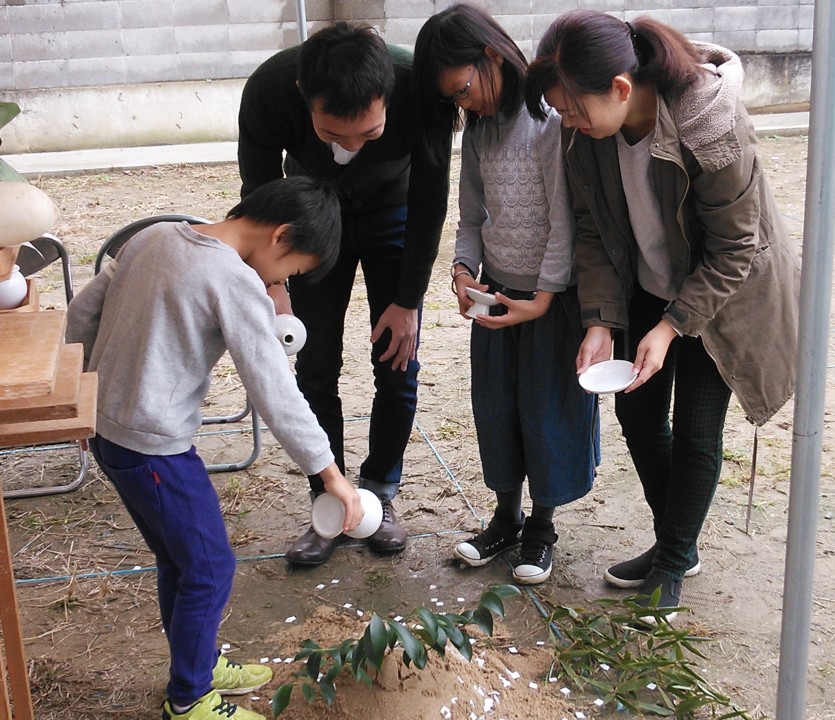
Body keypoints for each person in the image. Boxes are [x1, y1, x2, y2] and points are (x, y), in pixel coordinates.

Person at [524, 11, 800, 617]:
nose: (565, 122)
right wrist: (600, 318)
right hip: (648, 280)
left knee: (699, 429)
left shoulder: (709, 121)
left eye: (572, 109)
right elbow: (594, 232)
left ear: (621, 89)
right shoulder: (585, 134)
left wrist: (673, 326)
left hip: (722, 295)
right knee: (638, 413)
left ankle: (673, 559)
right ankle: (678, 542)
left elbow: (734, 248)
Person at [65, 177, 363, 720]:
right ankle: (190, 699)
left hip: (111, 432)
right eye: (292, 270)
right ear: (280, 237)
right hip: (153, 446)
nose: (282, 283)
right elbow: (273, 388)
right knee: (209, 566)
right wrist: (330, 473)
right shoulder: (233, 280)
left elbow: (83, 312)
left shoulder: (155, 235)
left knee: (179, 560)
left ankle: (197, 663)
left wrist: (78, 393)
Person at [237, 21, 451, 567]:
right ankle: (328, 501)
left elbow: (430, 197)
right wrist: (273, 283)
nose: (350, 148)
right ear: (303, 98)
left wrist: (408, 300)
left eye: (369, 134)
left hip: (395, 213)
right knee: (315, 364)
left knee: (397, 362)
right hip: (309, 217)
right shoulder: (269, 89)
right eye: (334, 135)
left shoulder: (418, 86)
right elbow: (259, 196)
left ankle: (379, 490)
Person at [414, 4, 600, 585]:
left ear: (491, 56)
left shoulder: (548, 121)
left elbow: (562, 223)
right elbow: (473, 213)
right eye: (453, 100)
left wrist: (543, 297)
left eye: (463, 89)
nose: (462, 104)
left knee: (547, 411)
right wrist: (465, 266)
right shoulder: (480, 129)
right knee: (496, 408)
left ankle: (542, 525)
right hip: (495, 294)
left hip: (549, 300)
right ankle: (505, 516)